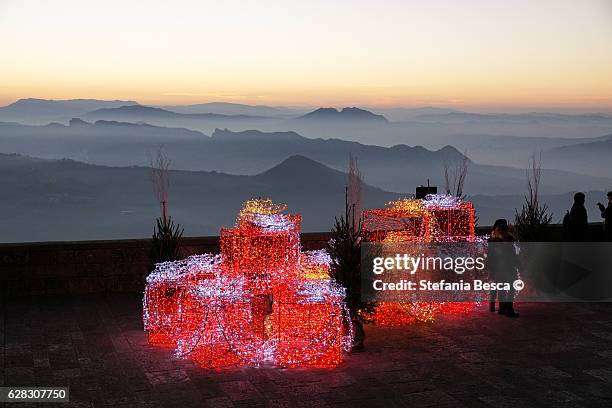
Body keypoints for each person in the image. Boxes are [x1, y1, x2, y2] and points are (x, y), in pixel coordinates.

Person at [488, 219, 520, 317]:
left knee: (501, 288)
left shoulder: (493, 240)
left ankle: (502, 308)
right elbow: (513, 256)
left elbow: (491, 257)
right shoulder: (509, 240)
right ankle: (509, 309)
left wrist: (492, 270)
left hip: (498, 269)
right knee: (511, 288)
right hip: (509, 268)